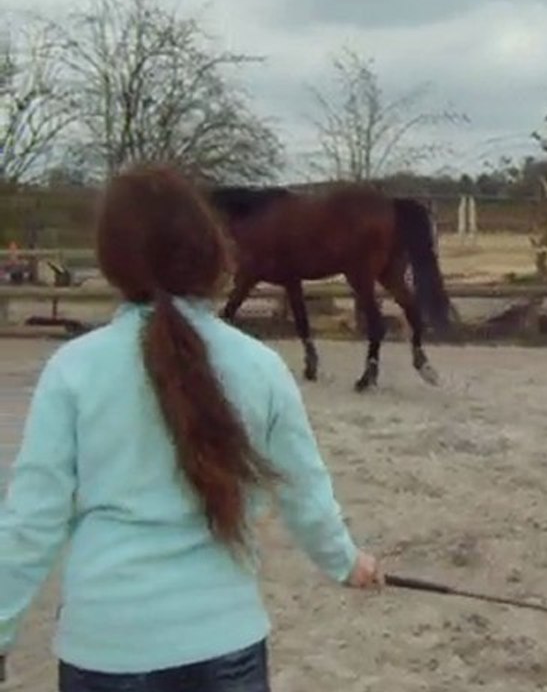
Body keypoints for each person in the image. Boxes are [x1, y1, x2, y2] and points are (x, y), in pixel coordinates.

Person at [0, 164, 383, 691]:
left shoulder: (74, 369)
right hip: (225, 642)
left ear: (113, 259)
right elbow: (304, 490)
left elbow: (32, 520)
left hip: (106, 646)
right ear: (208, 248)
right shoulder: (259, 366)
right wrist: (346, 562)